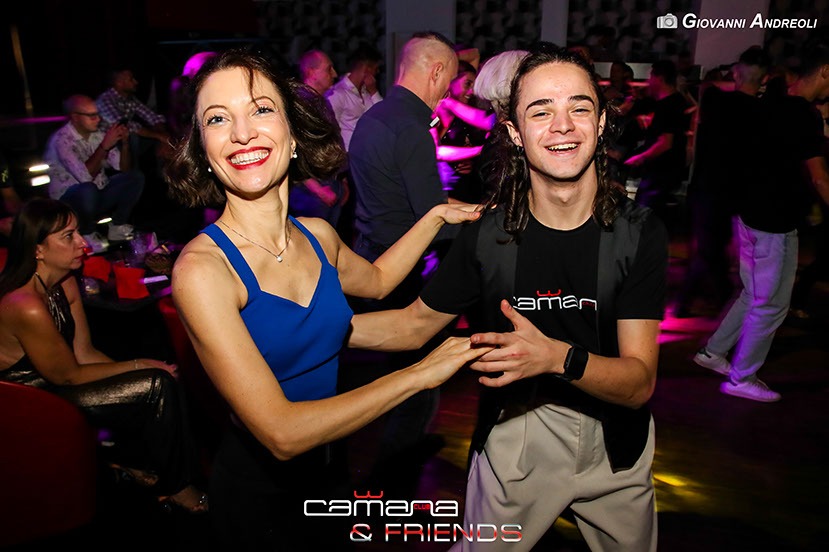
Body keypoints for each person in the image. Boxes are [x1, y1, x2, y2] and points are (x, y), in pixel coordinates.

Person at [163, 49, 487, 550]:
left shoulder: (317, 235)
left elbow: (386, 291)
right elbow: (283, 433)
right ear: (203, 148)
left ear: (293, 134)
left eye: (261, 109)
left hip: (330, 474)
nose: (242, 133)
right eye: (218, 119)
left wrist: (436, 218)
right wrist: (419, 374)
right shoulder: (203, 270)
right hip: (260, 497)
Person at [350, 45, 668, 551]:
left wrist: (557, 357)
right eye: (541, 111)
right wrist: (305, 325)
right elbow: (412, 325)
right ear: (515, 132)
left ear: (602, 122)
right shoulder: (489, 235)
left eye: (579, 107)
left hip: (616, 445)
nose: (562, 125)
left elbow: (637, 384)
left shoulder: (638, 233)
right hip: (518, 435)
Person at [0, 198, 207, 513]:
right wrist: (141, 368)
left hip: (58, 382)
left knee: (151, 383)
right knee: (155, 385)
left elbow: (84, 353)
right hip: (30, 399)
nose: (82, 243)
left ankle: (136, 464)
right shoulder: (25, 305)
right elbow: (68, 375)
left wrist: (135, 376)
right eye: (68, 236)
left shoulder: (65, 283)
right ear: (38, 250)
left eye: (77, 232)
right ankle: (178, 487)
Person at [348, 30, 462, 498]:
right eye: (448, 83)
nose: (447, 93)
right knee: (420, 379)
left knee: (394, 372)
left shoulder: (374, 117)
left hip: (370, 257)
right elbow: (432, 217)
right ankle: (390, 481)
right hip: (401, 268)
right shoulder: (412, 129)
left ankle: (391, 460)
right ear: (435, 71)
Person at [693, 35, 829, 402]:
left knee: (752, 294)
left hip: (750, 216)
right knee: (770, 304)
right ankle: (741, 378)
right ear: (824, 72)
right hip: (774, 223)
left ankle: (712, 352)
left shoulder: (766, 103)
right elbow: (819, 177)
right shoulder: (805, 115)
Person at [674, 47, 769, 318]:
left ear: (737, 72)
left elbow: (707, 86)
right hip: (739, 191)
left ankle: (719, 300)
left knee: (708, 248)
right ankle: (689, 302)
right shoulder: (762, 111)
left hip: (709, 188)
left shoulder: (718, 100)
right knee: (711, 248)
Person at [43, 94, 144, 251]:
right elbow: (84, 177)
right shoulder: (62, 140)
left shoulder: (97, 134)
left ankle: (117, 226)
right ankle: (86, 232)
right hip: (69, 202)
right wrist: (104, 146)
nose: (98, 119)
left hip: (96, 194)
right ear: (75, 117)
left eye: (98, 114)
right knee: (87, 189)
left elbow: (123, 168)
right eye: (92, 116)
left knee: (134, 177)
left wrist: (124, 143)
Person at [625, 59, 691, 226]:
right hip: (669, 169)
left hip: (661, 170)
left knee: (641, 216)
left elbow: (665, 143)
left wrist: (640, 158)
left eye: (651, 76)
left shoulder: (668, 105)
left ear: (659, 78)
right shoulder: (677, 102)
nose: (649, 81)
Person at [289, 49, 349, 226]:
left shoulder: (320, 102)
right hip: (312, 193)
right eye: (328, 69)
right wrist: (318, 190)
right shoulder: (300, 105)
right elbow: (293, 149)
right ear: (311, 72)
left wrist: (342, 180)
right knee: (312, 240)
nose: (335, 74)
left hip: (328, 186)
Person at [433, 60, 495, 203]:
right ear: (451, 81)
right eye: (467, 84)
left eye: (474, 86)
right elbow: (435, 151)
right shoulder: (432, 111)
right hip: (435, 191)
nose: (472, 91)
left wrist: (471, 163)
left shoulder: (465, 118)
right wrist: (479, 150)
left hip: (460, 192)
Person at [325, 43, 383, 151]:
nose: (377, 72)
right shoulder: (338, 93)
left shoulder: (368, 91)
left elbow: (383, 116)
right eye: (376, 68)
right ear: (367, 69)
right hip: (347, 155)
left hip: (367, 153)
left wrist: (374, 91)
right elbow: (329, 130)